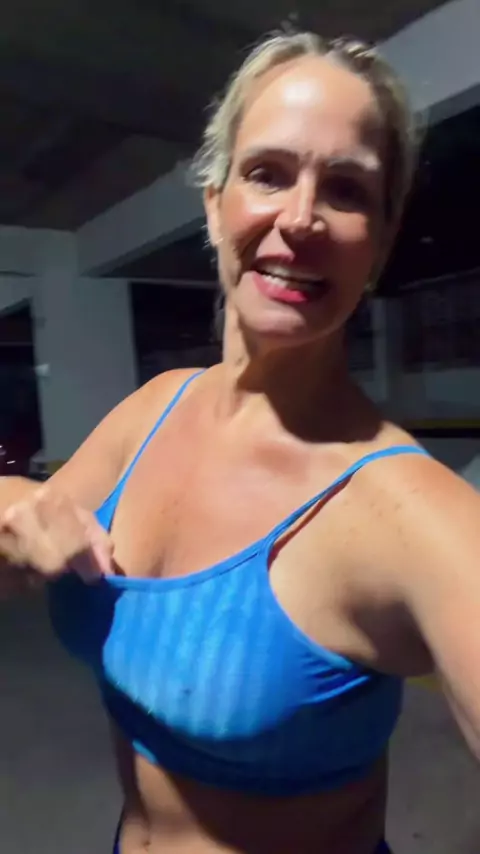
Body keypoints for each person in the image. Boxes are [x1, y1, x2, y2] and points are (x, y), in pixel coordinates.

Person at [1, 29, 480, 854]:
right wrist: (12, 506)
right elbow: (23, 532)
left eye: (346, 189)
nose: (301, 219)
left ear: (381, 237)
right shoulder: (154, 409)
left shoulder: (407, 511)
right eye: (268, 173)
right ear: (214, 201)